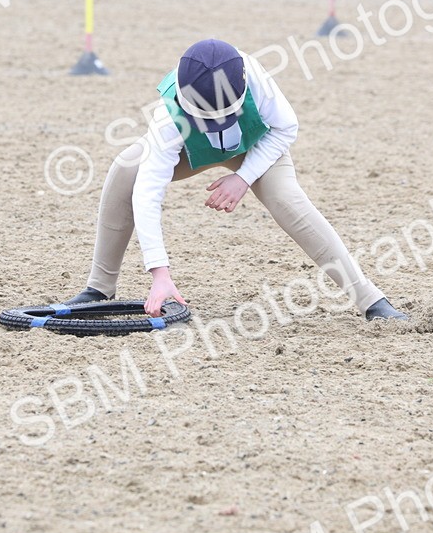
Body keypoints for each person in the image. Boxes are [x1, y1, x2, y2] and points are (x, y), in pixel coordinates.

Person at [64, 38, 407, 322]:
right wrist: (160, 273)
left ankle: (370, 300)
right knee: (127, 169)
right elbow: (147, 193)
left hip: (256, 148)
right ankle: (100, 287)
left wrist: (243, 178)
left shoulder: (256, 78)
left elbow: (286, 128)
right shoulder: (167, 118)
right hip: (192, 152)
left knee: (289, 200)